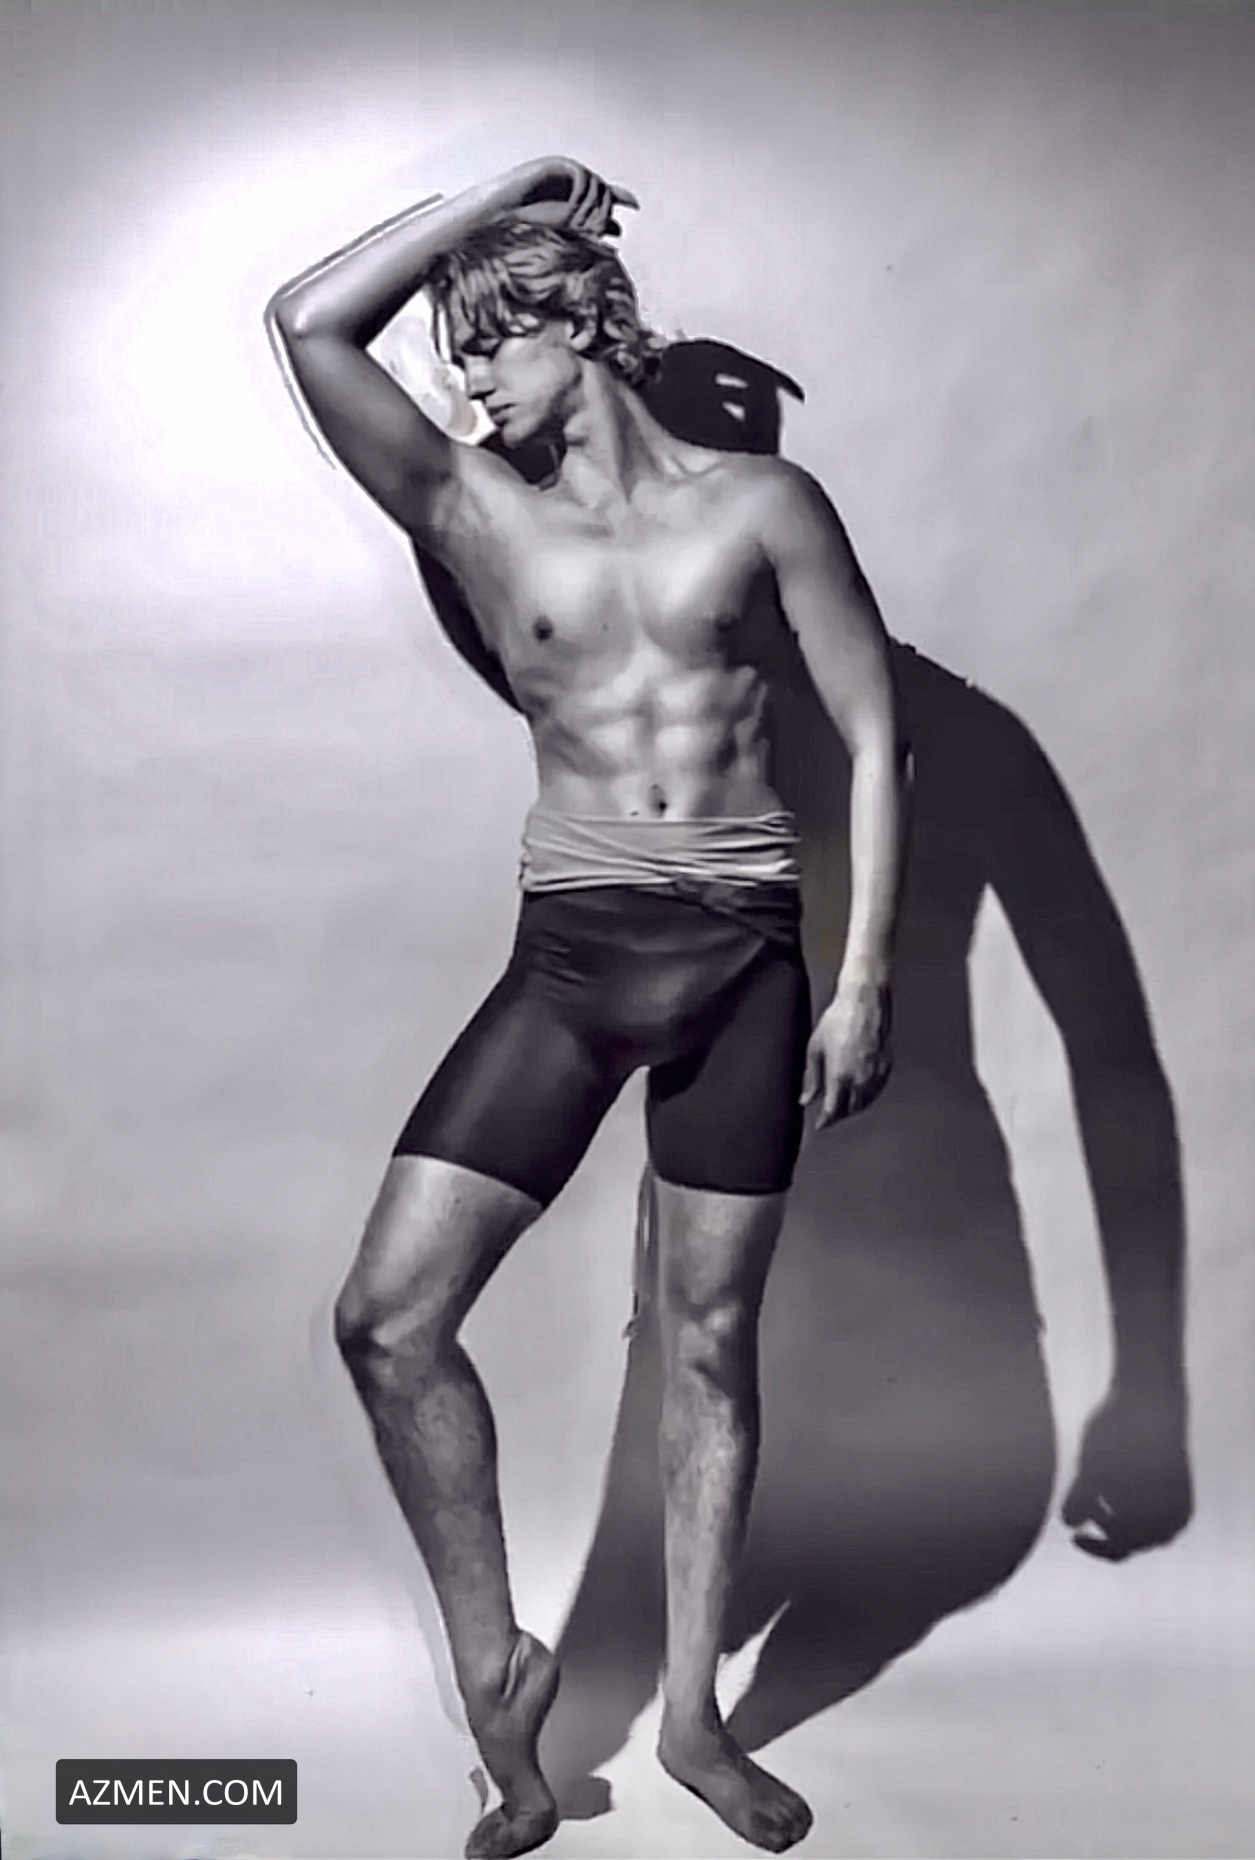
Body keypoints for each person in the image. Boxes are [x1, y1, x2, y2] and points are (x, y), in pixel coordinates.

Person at [267, 155, 908, 1860]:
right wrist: (507, 193)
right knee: (388, 1320)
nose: (466, 379)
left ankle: (695, 1720)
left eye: (489, 341)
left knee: (707, 1345)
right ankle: (502, 1680)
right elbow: (306, 323)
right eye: (458, 352)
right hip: (570, 959)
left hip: (750, 963)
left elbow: (872, 730)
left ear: (579, 325)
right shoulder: (473, 506)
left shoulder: (763, 506)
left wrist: (861, 975)